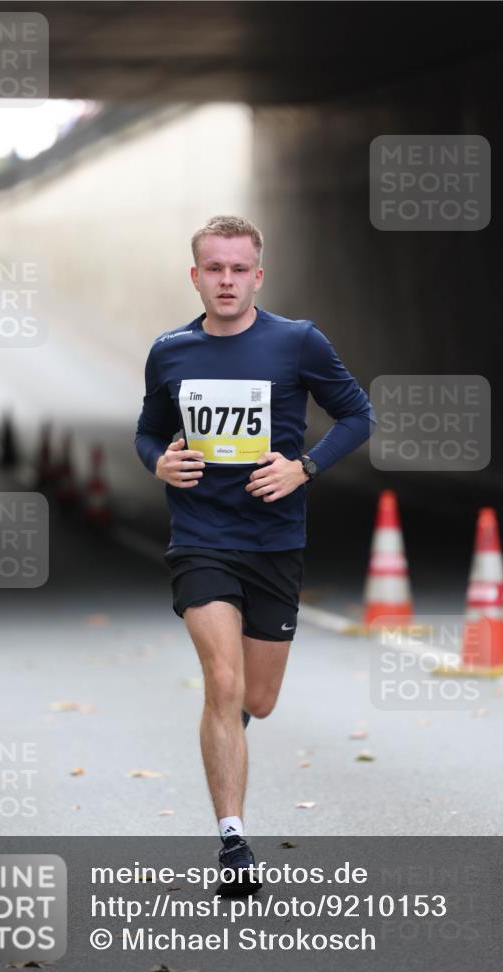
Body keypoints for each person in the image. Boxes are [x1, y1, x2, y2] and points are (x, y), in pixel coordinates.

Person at [135, 215, 375, 894]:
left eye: (239, 269)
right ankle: (233, 845)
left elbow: (358, 415)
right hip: (201, 539)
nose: (226, 280)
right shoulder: (170, 351)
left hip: (275, 542)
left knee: (258, 700)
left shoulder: (297, 343)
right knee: (223, 682)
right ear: (195, 276)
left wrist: (304, 467)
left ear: (257, 276)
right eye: (214, 268)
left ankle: (226, 732)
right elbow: (148, 432)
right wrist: (160, 464)